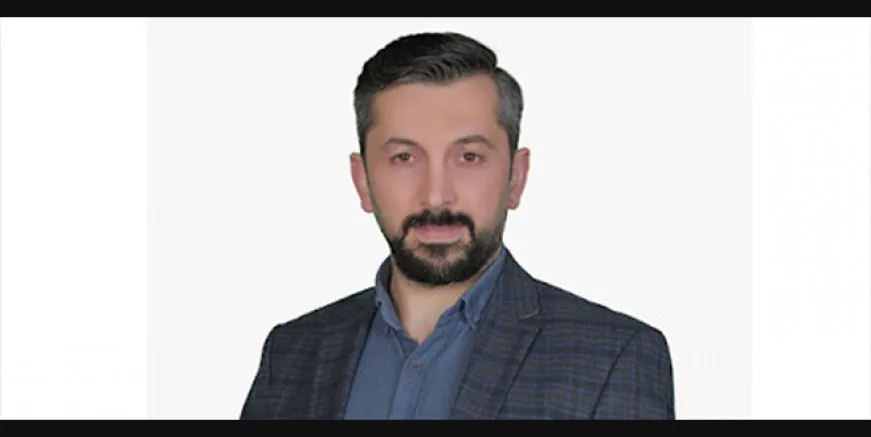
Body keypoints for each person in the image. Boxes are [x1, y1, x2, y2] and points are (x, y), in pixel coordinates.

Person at [239, 31, 675, 420]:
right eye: (404, 158)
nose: (436, 196)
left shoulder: (612, 358)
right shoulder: (292, 352)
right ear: (363, 181)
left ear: (516, 178)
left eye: (468, 157)